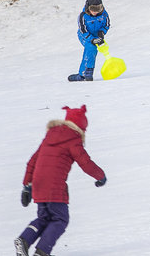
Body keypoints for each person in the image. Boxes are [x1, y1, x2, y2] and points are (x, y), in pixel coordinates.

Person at [15, 105, 106, 256]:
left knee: (44, 219)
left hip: (38, 185)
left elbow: (32, 161)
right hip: (54, 188)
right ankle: (42, 252)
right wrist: (100, 176)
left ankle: (24, 239)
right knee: (60, 219)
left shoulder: (49, 137)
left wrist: (27, 186)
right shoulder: (73, 140)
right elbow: (86, 163)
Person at [68, 0, 110, 82]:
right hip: (84, 35)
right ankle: (88, 73)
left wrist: (101, 33)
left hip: (96, 35)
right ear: (88, 7)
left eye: (97, 9)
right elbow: (83, 30)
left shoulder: (104, 14)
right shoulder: (83, 16)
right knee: (91, 48)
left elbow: (107, 25)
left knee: (92, 50)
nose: (95, 12)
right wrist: (91, 39)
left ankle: (82, 75)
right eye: (93, 9)